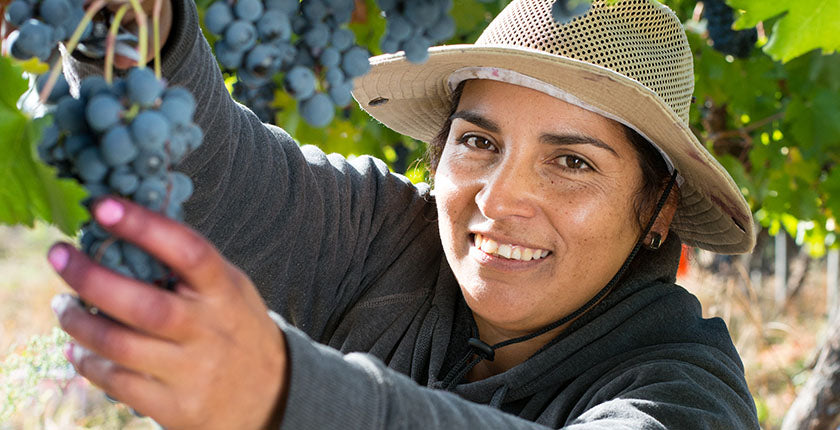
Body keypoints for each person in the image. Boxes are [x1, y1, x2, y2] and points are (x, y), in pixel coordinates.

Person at [46, 0, 761, 428]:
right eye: (479, 141)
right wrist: (132, 29)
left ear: (659, 206)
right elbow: (220, 171)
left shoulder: (688, 394)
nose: (500, 198)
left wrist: (287, 396)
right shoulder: (392, 238)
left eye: (571, 162)